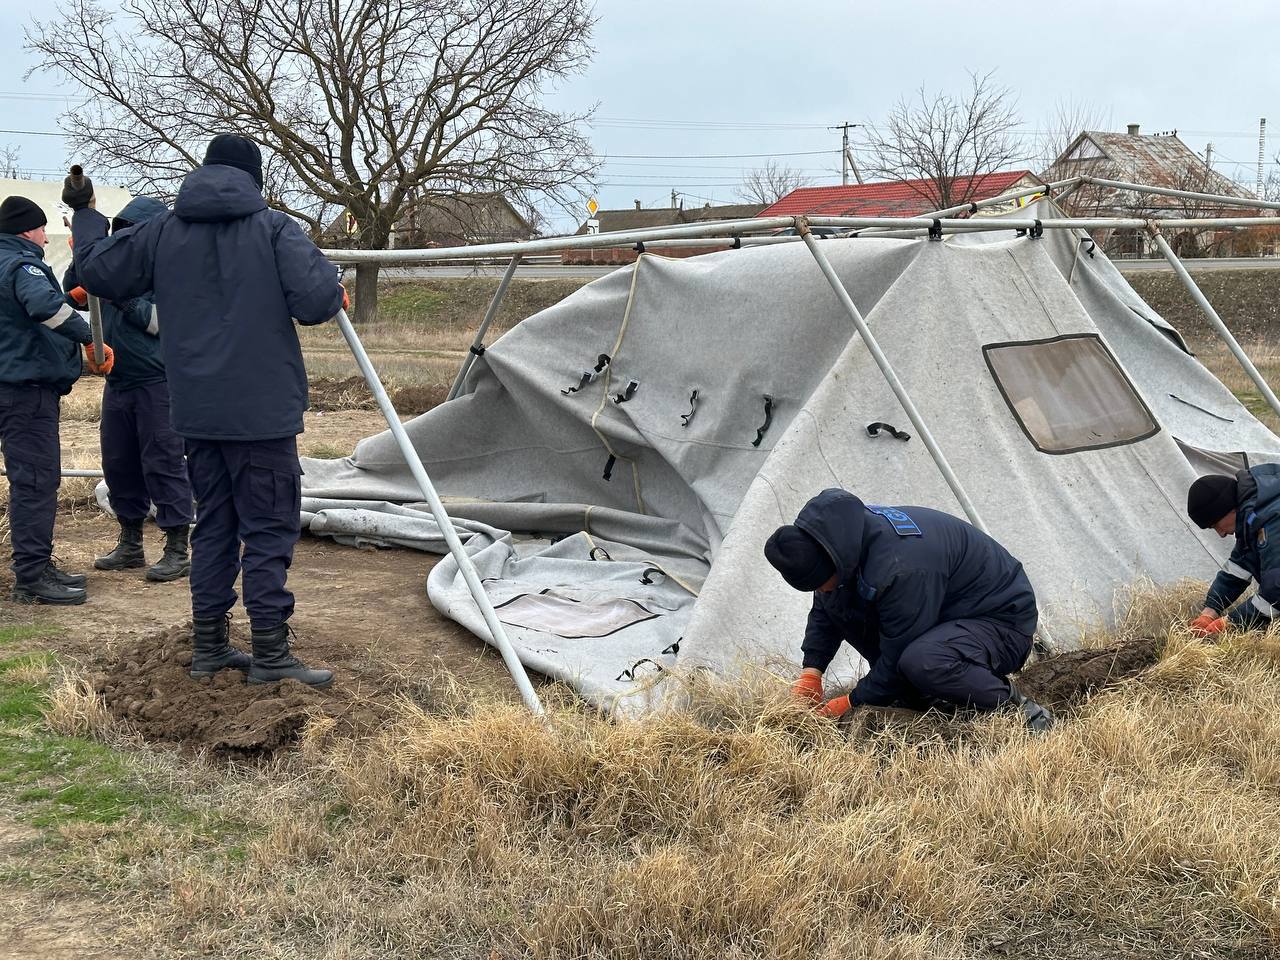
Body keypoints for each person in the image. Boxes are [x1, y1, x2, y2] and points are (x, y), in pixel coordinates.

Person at [65, 136, 345, 686]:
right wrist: (326, 277)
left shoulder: (163, 229)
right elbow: (316, 303)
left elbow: (95, 273)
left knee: (214, 523)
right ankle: (269, 653)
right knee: (267, 528)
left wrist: (86, 215)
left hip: (195, 410)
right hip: (262, 415)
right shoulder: (274, 229)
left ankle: (210, 647)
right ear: (254, 178)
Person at [764, 487, 1053, 732]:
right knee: (842, 603)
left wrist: (854, 700)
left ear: (834, 563)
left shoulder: (900, 566)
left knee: (923, 660)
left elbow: (900, 649)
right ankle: (923, 692)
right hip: (948, 616)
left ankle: (1023, 711)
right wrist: (812, 671)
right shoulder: (837, 544)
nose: (822, 591)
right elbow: (827, 606)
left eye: (823, 583)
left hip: (1002, 622)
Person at [63, 196, 194, 583]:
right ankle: (131, 541)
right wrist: (83, 257)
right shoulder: (113, 267)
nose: (124, 238)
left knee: (165, 463)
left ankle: (176, 547)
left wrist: (118, 291)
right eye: (119, 232)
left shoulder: (169, 274)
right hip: (118, 383)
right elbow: (74, 286)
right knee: (119, 463)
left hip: (158, 383)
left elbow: (160, 323)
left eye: (129, 232)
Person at [0, 194, 113, 604]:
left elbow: (22, 316)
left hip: (9, 384)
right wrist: (90, 339)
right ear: (27, 230)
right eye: (40, 232)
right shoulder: (23, 263)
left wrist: (73, 300)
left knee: (30, 480)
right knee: (35, 481)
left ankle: (37, 565)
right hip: (25, 391)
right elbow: (42, 308)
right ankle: (31, 578)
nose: (45, 241)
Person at [1185, 465, 1280, 637]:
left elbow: (1276, 591)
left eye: (1215, 525)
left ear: (1228, 509)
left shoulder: (1274, 519)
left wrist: (1229, 623)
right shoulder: (1253, 517)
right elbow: (1240, 564)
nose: (1221, 534)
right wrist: (1210, 611)